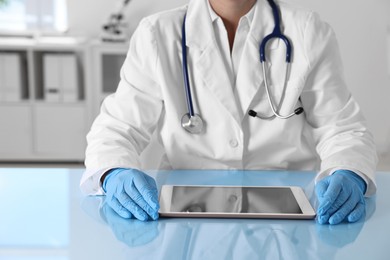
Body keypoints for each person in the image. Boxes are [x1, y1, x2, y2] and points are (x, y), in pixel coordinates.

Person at [80, 0, 377, 225]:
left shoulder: (307, 31)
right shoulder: (157, 34)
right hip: (185, 216)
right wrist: (115, 171)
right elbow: (117, 129)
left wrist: (348, 170)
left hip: (288, 214)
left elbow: (342, 128)